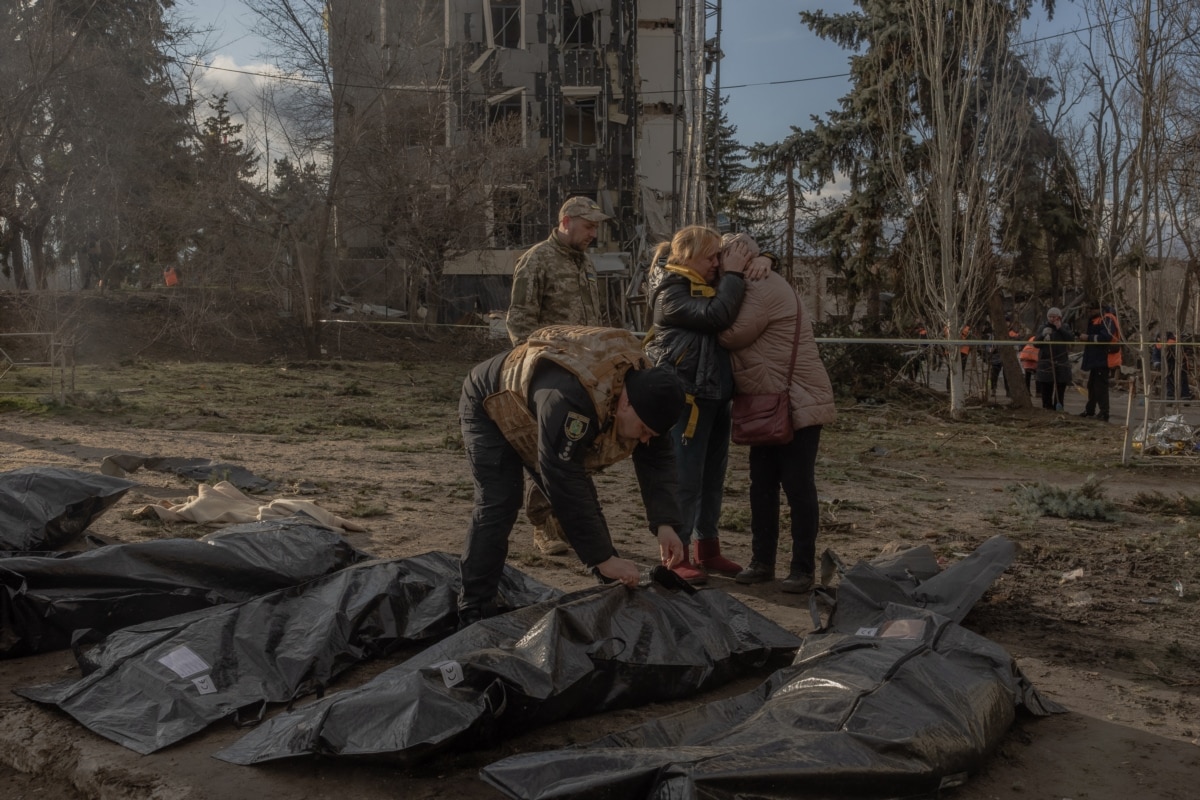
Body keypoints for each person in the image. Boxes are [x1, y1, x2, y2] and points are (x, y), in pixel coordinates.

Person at [457, 325, 688, 626]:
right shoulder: (575, 399)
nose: (644, 440)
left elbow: (657, 460)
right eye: (644, 431)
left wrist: (665, 524)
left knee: (577, 494)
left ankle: (608, 582)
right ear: (626, 403)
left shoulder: (649, 393)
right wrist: (603, 558)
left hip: (536, 412)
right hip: (491, 403)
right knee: (499, 503)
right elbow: (563, 478)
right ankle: (473, 608)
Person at [718, 237, 836, 595]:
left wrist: (726, 284)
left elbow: (732, 334)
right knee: (763, 485)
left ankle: (801, 568)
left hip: (796, 400)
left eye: (719, 257)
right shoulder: (755, 279)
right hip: (771, 401)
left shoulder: (759, 284)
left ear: (737, 257)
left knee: (797, 487)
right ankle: (762, 562)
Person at [644, 226, 753, 584]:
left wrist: (763, 258)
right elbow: (715, 317)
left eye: (720, 257)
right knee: (685, 480)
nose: (717, 264)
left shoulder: (702, 284)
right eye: (711, 257)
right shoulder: (670, 292)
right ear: (687, 256)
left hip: (716, 394)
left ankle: (708, 548)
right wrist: (734, 274)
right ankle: (679, 555)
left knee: (712, 479)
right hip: (687, 399)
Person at [506, 196, 612, 556]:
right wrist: (533, 371)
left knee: (575, 447)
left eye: (596, 227)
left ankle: (568, 521)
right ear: (566, 221)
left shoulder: (585, 263)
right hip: (550, 374)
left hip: (584, 372)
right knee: (547, 448)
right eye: (588, 226)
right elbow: (520, 320)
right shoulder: (537, 259)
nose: (593, 234)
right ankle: (543, 525)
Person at [1078, 300, 1116, 421]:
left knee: (1101, 387)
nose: (1089, 312)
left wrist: (1088, 337)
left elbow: (1106, 337)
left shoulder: (1107, 318)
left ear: (1098, 309)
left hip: (1104, 358)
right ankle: (1090, 410)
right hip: (1096, 358)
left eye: (1091, 310)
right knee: (1092, 386)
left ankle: (1104, 412)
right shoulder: (1096, 319)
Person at [1036, 307, 1074, 411]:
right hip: (1046, 362)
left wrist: (1060, 328)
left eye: (1055, 317)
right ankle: (1047, 407)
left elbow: (1071, 339)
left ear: (1059, 317)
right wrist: (1042, 335)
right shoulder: (1042, 327)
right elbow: (1036, 344)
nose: (1052, 319)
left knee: (1060, 388)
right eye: (1050, 317)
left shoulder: (1065, 327)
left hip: (1061, 362)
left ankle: (1059, 407)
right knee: (1047, 388)